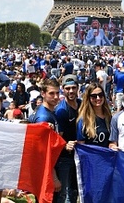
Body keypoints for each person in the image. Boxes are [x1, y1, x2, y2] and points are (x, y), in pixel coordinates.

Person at [28, 79, 61, 194]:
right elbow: (43, 152)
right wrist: (54, 177)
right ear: (43, 94)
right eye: (51, 93)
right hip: (46, 171)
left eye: (57, 93)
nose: (56, 97)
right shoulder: (43, 117)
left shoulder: (47, 111)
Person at [53, 74, 81, 203]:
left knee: (75, 191)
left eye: (73, 88)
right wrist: (65, 145)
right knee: (64, 194)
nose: (71, 91)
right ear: (63, 89)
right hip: (65, 158)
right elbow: (57, 138)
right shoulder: (61, 110)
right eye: (67, 88)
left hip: (79, 155)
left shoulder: (81, 104)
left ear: (78, 88)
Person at [76, 83, 112, 147]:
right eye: (94, 96)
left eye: (100, 95)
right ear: (88, 98)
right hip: (90, 156)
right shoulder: (83, 120)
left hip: (106, 156)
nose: (98, 98)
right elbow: (81, 146)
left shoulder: (109, 117)